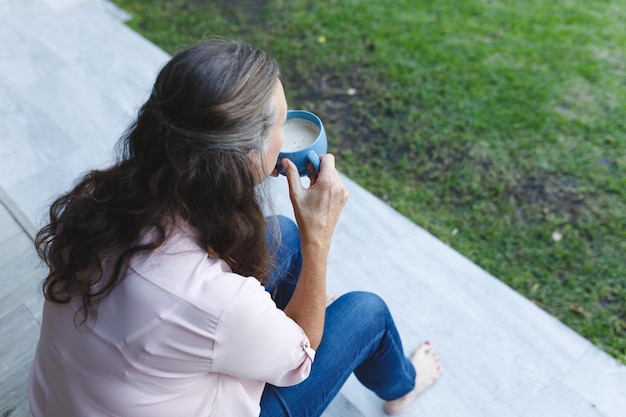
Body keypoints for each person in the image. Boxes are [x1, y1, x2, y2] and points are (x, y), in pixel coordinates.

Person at [28, 39, 443, 417]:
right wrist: (320, 237)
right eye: (280, 125)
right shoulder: (214, 301)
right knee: (364, 312)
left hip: (67, 402)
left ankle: (276, 324)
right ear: (243, 157)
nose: (285, 136)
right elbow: (300, 357)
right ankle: (402, 387)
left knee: (281, 232)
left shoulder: (104, 194)